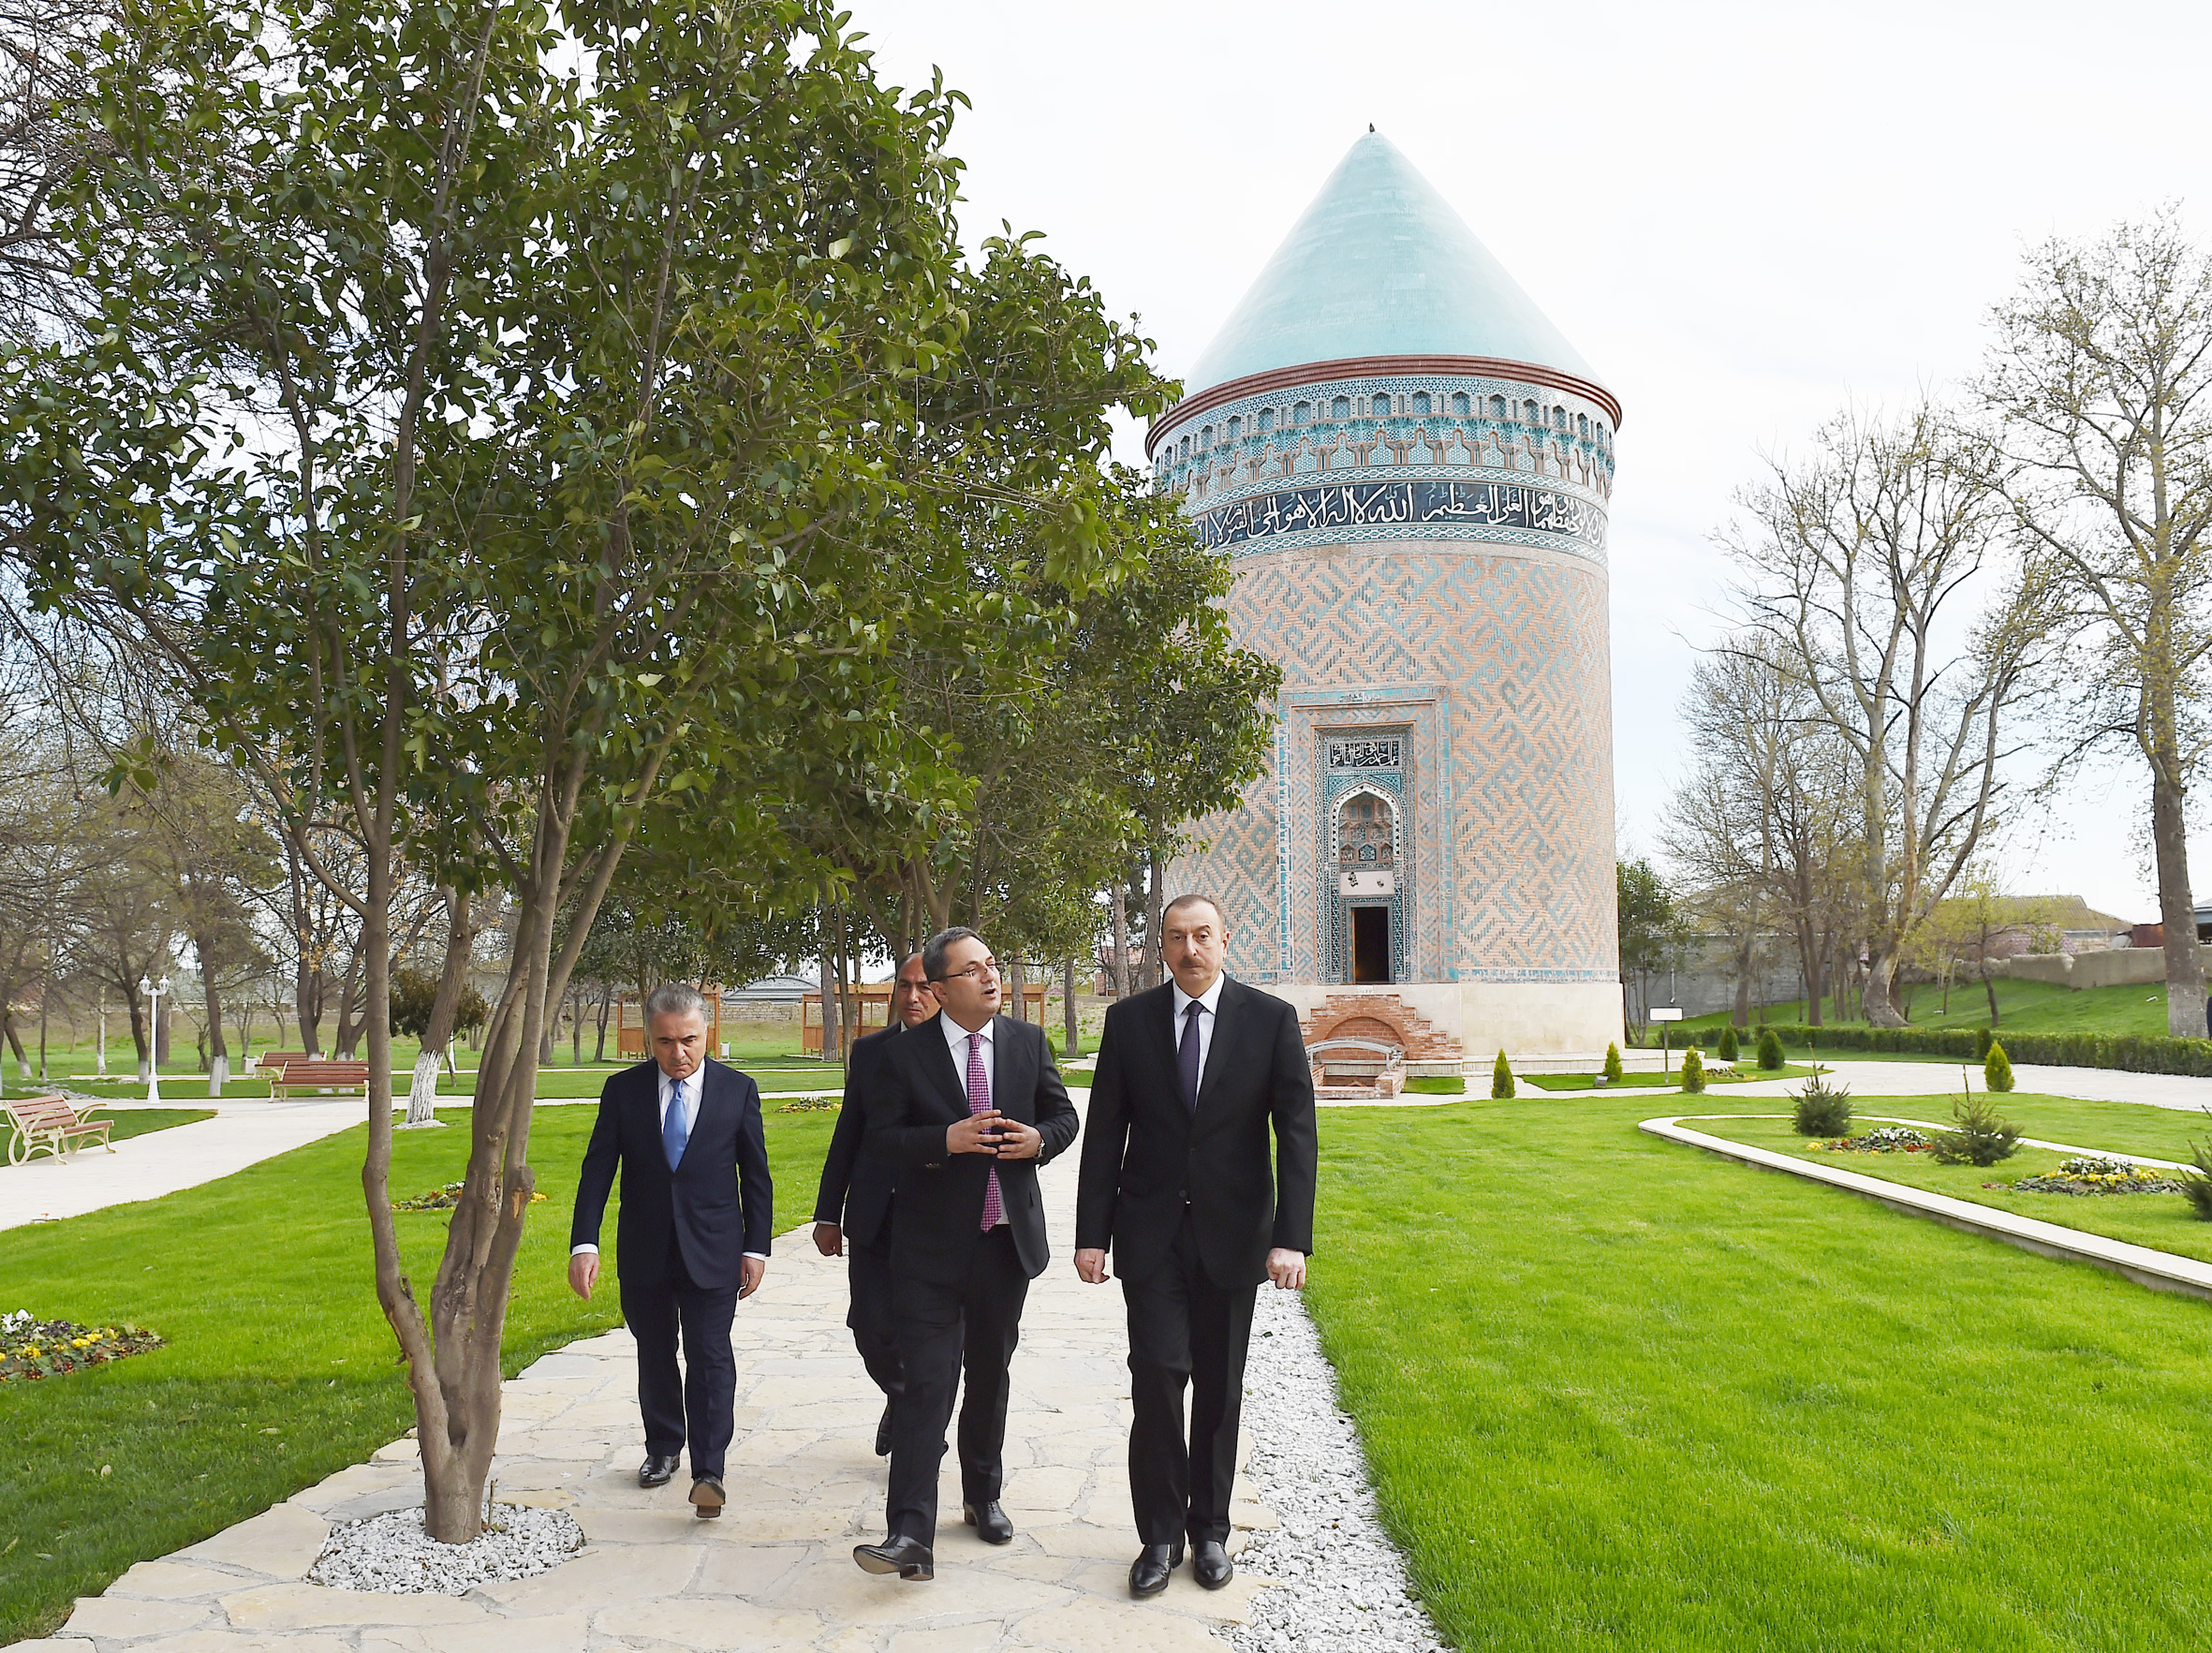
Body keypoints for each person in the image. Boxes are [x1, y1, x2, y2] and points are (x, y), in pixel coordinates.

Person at [1075, 893, 1318, 1598]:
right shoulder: (1128, 1023)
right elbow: (1104, 1136)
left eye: (1202, 935)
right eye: (1176, 937)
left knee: (1219, 1386)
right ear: (1161, 945)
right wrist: (1093, 1234)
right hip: (1148, 1234)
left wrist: (1291, 1239)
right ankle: (1158, 1534)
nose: (1189, 948)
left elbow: (1296, 1135)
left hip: (1233, 1236)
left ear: (1225, 940)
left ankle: (1209, 1530)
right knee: (1155, 1376)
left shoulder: (1270, 1021)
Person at [852, 927, 1081, 1582]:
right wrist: (944, 1139)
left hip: (1004, 1244)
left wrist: (1038, 1140)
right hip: (926, 1251)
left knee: (988, 1374)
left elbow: (1065, 1117)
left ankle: (983, 1494)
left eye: (993, 965)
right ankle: (908, 1533)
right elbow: (884, 1140)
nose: (991, 976)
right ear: (943, 987)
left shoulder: (1025, 1041)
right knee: (927, 1385)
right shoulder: (903, 1056)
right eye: (974, 969)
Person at [568, 982, 773, 1520]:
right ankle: (662, 1447)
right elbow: (596, 1173)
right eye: (665, 1042)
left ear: (707, 1033)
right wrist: (583, 1243)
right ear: (649, 1040)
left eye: (689, 1040)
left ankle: (709, 1470)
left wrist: (756, 1248)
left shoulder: (737, 1090)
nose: (678, 1054)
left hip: (715, 1250)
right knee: (654, 1352)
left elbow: (756, 1178)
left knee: (710, 1355)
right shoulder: (623, 1091)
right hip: (645, 1249)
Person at [812, 952, 937, 1457]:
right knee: (870, 1327)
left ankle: (914, 1424)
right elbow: (848, 1136)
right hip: (873, 1216)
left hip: (935, 1222)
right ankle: (905, 1400)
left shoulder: (969, 1053)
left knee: (926, 1336)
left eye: (924, 986)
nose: (911, 997)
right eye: (903, 985)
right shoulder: (870, 1053)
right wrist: (827, 1213)